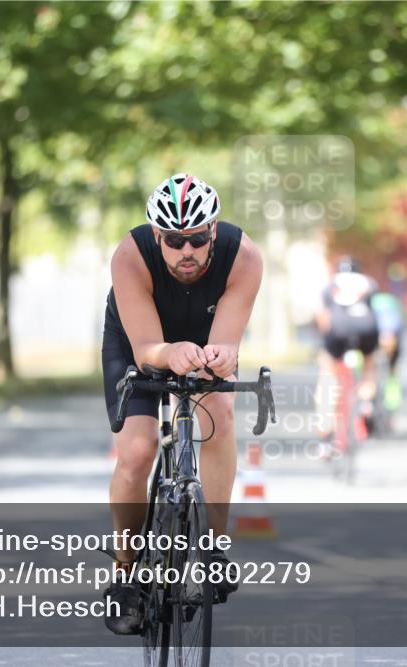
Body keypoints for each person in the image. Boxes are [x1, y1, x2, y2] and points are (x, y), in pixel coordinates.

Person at [101, 173, 263, 634]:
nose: (186, 250)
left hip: (205, 333)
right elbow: (146, 349)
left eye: (196, 239)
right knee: (137, 452)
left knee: (219, 412)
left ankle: (212, 549)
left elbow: (226, 343)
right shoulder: (130, 256)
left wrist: (222, 356)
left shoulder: (244, 257)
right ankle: (125, 574)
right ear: (158, 236)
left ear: (213, 231)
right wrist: (169, 353)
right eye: (174, 241)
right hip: (139, 340)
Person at [315, 256, 380, 451]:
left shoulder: (330, 285)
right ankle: (366, 402)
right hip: (366, 326)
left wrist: (324, 343)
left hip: (339, 328)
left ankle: (325, 436)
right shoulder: (369, 283)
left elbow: (323, 316)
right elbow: (375, 310)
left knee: (327, 376)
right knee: (369, 363)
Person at [370, 290, 404, 428]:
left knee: (368, 370)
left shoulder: (369, 300)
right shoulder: (392, 302)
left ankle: (367, 403)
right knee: (392, 372)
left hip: (371, 336)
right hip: (393, 336)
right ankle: (392, 410)